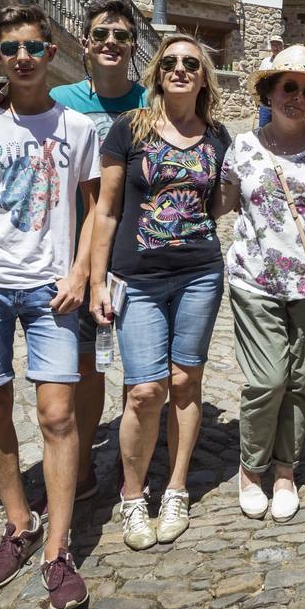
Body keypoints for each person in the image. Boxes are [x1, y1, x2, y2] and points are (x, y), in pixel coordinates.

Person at [0, 4, 98, 609]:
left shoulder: (76, 128)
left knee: (57, 415)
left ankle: (58, 552)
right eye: (11, 49)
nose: (23, 58)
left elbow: (93, 206)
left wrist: (82, 269)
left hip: (49, 289)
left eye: (34, 47)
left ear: (52, 53)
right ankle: (19, 524)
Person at [0, 0, 147, 510]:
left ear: (132, 46)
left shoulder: (150, 101)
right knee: (85, 364)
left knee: (140, 370)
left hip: (134, 249)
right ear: (83, 45)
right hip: (72, 253)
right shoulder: (63, 97)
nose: (111, 42)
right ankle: (85, 466)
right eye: (101, 34)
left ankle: (134, 467)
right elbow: (11, 112)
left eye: (121, 35)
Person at [89, 35, 229, 550]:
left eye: (191, 63)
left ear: (203, 77)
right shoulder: (129, 128)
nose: (179, 69)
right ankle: (132, 496)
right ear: (156, 73)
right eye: (169, 62)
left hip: (199, 272)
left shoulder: (218, 135)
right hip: (137, 279)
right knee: (145, 390)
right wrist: (97, 279)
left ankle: (175, 488)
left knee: (186, 382)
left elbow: (214, 205)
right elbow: (105, 209)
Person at [217, 46, 305, 522]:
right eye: (287, 87)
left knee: (301, 381)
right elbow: (221, 201)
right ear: (269, 92)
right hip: (255, 278)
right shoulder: (243, 145)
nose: (297, 96)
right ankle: (251, 469)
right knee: (267, 380)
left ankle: (286, 470)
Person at [256, 35, 285, 129]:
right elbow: (259, 78)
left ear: (282, 46)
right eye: (273, 44)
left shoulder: (286, 62)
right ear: (270, 47)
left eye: (278, 44)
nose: (275, 47)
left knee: (280, 128)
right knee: (263, 128)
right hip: (266, 100)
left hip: (281, 100)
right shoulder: (265, 61)